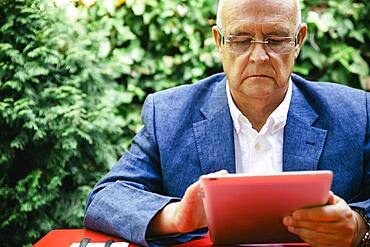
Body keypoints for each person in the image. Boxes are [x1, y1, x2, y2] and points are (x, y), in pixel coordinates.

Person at [84, 0, 370, 246]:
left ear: (298, 41)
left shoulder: (356, 112)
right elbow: (106, 198)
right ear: (219, 42)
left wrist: (359, 227)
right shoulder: (168, 114)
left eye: (276, 39)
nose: (258, 56)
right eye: (241, 40)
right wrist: (175, 216)